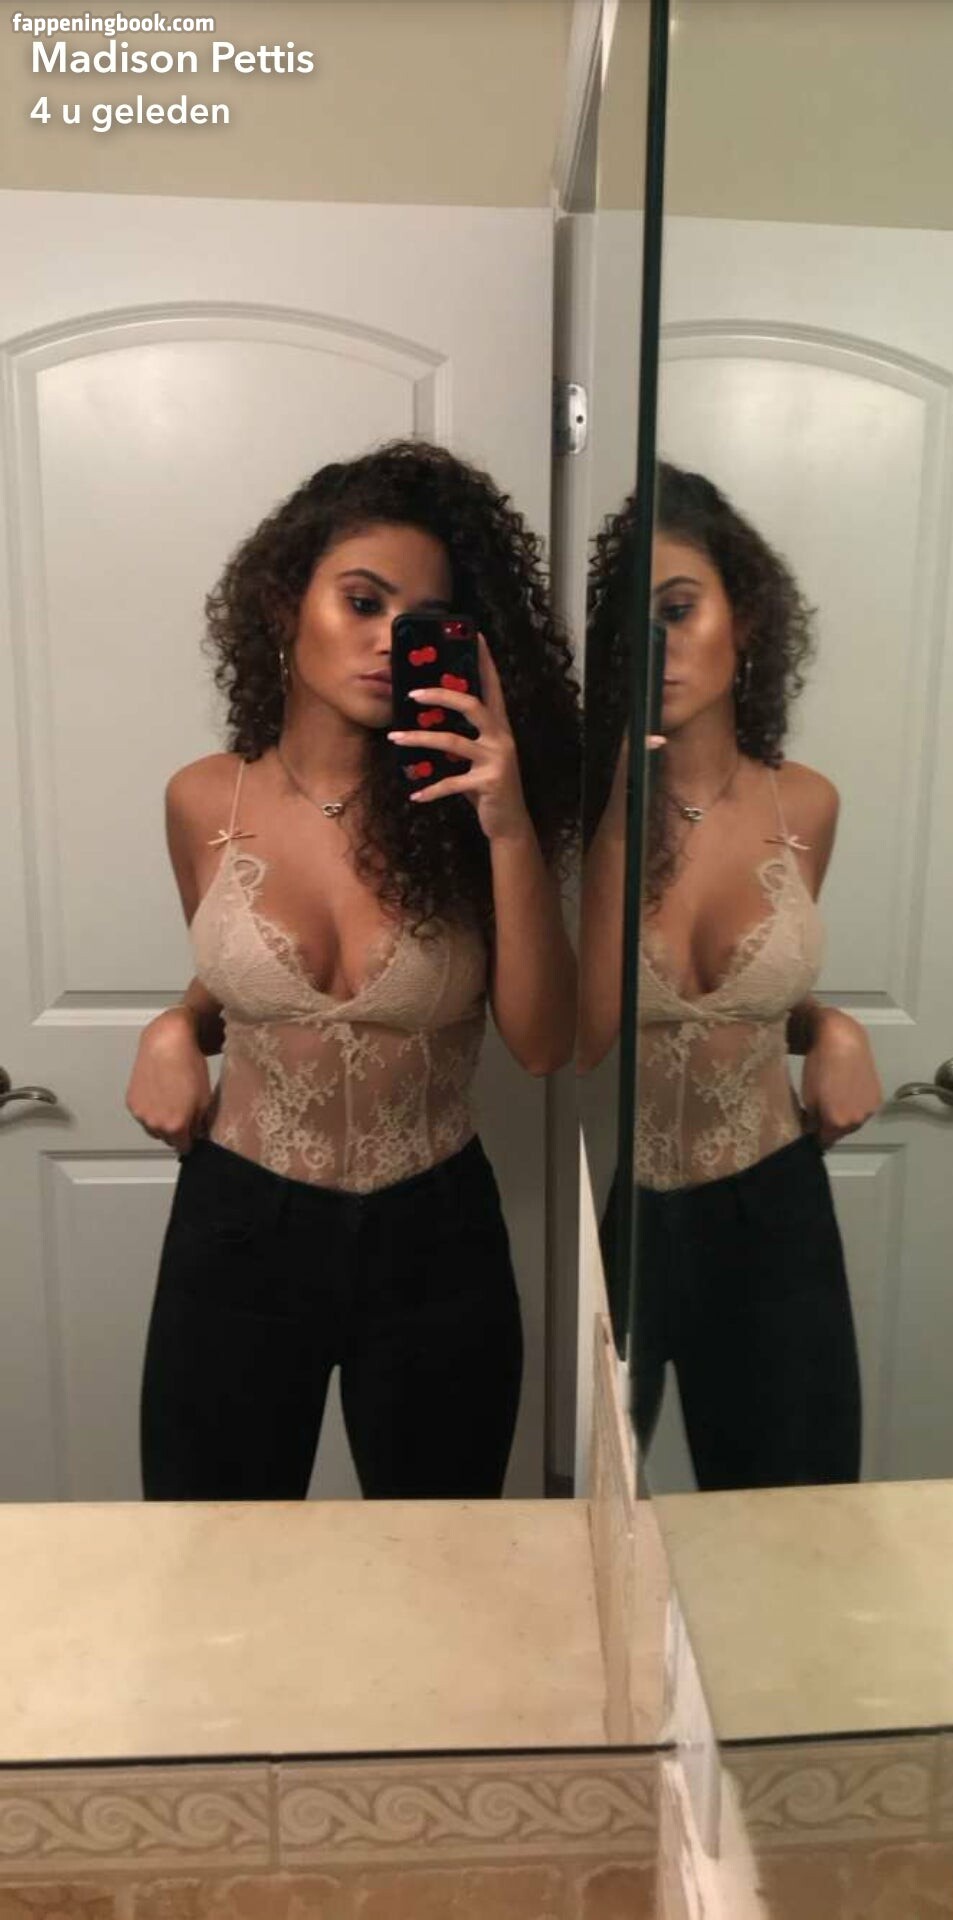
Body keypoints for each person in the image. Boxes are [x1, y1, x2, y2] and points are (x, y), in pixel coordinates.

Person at [127, 439, 581, 1501]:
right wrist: (172, 1027)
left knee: (440, 1557)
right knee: (214, 1542)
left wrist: (510, 825)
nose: (388, 642)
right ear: (283, 603)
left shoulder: (467, 812)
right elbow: (238, 983)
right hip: (238, 1224)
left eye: (424, 620)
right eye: (364, 602)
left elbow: (544, 1044)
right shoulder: (204, 800)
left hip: (437, 1232)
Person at [580, 461, 881, 1490]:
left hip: (775, 1206)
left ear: (743, 619)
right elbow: (580, 1034)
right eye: (633, 627)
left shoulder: (807, 806)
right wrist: (618, 813)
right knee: (592, 1521)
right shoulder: (587, 816)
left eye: (679, 610)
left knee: (793, 1517)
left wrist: (833, 1028)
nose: (656, 646)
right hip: (627, 1213)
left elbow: (765, 998)